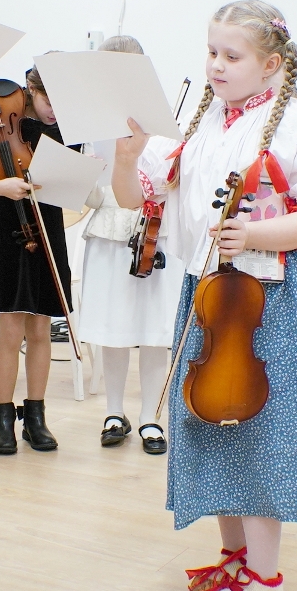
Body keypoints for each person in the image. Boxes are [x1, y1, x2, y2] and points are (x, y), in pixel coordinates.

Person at [114, 0, 297, 591]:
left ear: (270, 64)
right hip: (209, 296)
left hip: (266, 299)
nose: (216, 64)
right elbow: (135, 197)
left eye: (232, 55)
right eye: (211, 52)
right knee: (212, 421)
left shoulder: (295, 121)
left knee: (261, 432)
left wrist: (257, 235)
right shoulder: (199, 120)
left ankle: (265, 579)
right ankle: (235, 559)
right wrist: (126, 154)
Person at [77, 35, 183, 454]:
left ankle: (151, 417)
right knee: (114, 327)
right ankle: (114, 412)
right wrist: (84, 176)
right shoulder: (92, 122)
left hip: (157, 233)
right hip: (109, 231)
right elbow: (91, 194)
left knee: (157, 329)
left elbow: (174, 179)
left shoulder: (163, 117)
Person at [0, 65, 74, 456]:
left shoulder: (67, 132)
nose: (55, 110)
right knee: (10, 328)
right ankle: (2, 416)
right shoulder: (2, 127)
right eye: (48, 100)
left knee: (41, 327)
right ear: (30, 90)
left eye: (62, 102)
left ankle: (36, 417)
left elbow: (72, 187)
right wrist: (1, 187)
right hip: (7, 227)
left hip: (46, 228)